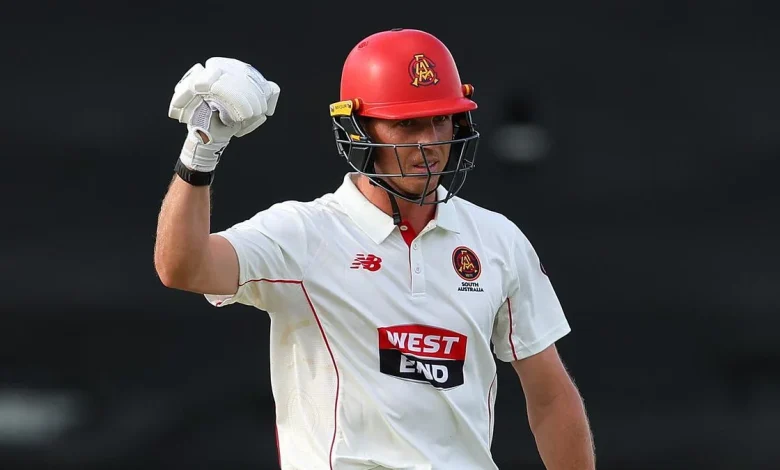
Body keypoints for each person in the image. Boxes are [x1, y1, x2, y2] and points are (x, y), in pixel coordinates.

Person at [155, 28, 595, 470]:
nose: (429, 143)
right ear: (357, 129)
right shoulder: (304, 234)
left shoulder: (497, 239)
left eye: (441, 120)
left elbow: (552, 398)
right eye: (407, 124)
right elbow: (183, 267)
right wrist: (202, 148)